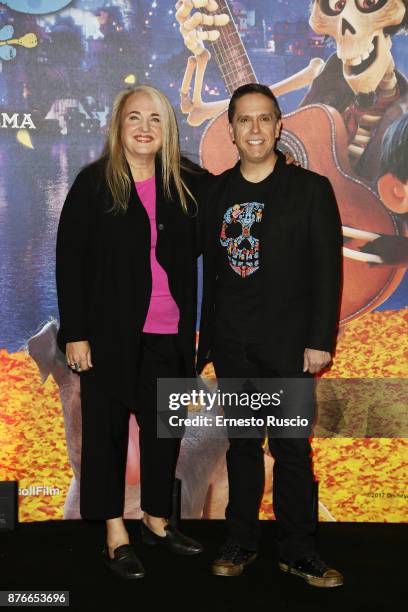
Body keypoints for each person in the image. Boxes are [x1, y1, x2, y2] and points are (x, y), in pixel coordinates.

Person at [196, 83, 344, 587]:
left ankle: (298, 549)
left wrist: (319, 339)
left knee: (291, 451)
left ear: (280, 126)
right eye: (244, 120)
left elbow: (328, 272)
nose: (255, 129)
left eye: (265, 119)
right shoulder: (214, 193)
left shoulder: (310, 190)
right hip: (233, 345)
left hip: (288, 347)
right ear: (231, 130)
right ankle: (240, 541)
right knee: (240, 447)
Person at [55, 85, 204, 580]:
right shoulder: (93, 184)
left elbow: (238, 198)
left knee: (165, 435)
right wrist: (75, 333)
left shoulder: (186, 184)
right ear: (118, 126)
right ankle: (115, 531)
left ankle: (158, 522)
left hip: (171, 334)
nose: (145, 127)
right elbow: (69, 262)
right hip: (108, 336)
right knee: (106, 436)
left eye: (156, 119)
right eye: (134, 117)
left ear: (168, 129)